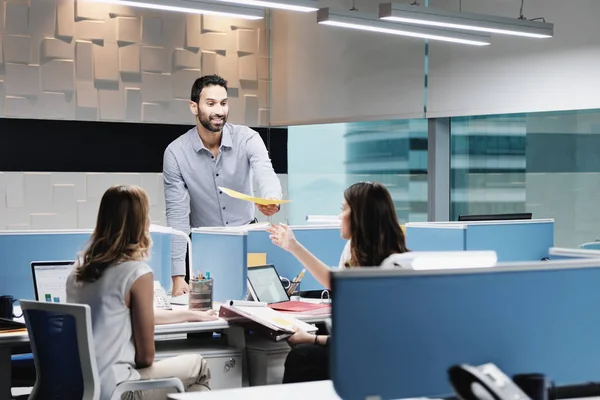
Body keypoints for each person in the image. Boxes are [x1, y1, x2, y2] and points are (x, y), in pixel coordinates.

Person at [66, 185, 219, 400]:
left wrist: (191, 314)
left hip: (81, 389)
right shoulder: (137, 273)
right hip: (119, 391)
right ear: (139, 224)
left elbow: (122, 316)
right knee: (199, 367)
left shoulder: (78, 270)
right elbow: (146, 358)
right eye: (146, 216)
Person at [267, 181, 409, 383]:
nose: (339, 216)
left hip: (378, 359)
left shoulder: (390, 267)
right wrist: (293, 246)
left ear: (360, 215)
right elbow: (335, 283)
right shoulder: (354, 248)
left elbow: (365, 340)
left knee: (302, 357)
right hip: (366, 349)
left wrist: (311, 339)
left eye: (343, 209)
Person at [163, 74, 283, 296]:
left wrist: (271, 198)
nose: (219, 110)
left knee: (256, 318)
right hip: (203, 247)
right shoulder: (175, 153)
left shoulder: (248, 138)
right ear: (194, 107)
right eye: (210, 104)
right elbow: (177, 217)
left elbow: (265, 171)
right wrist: (178, 277)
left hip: (248, 243)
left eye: (224, 103)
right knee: (201, 321)